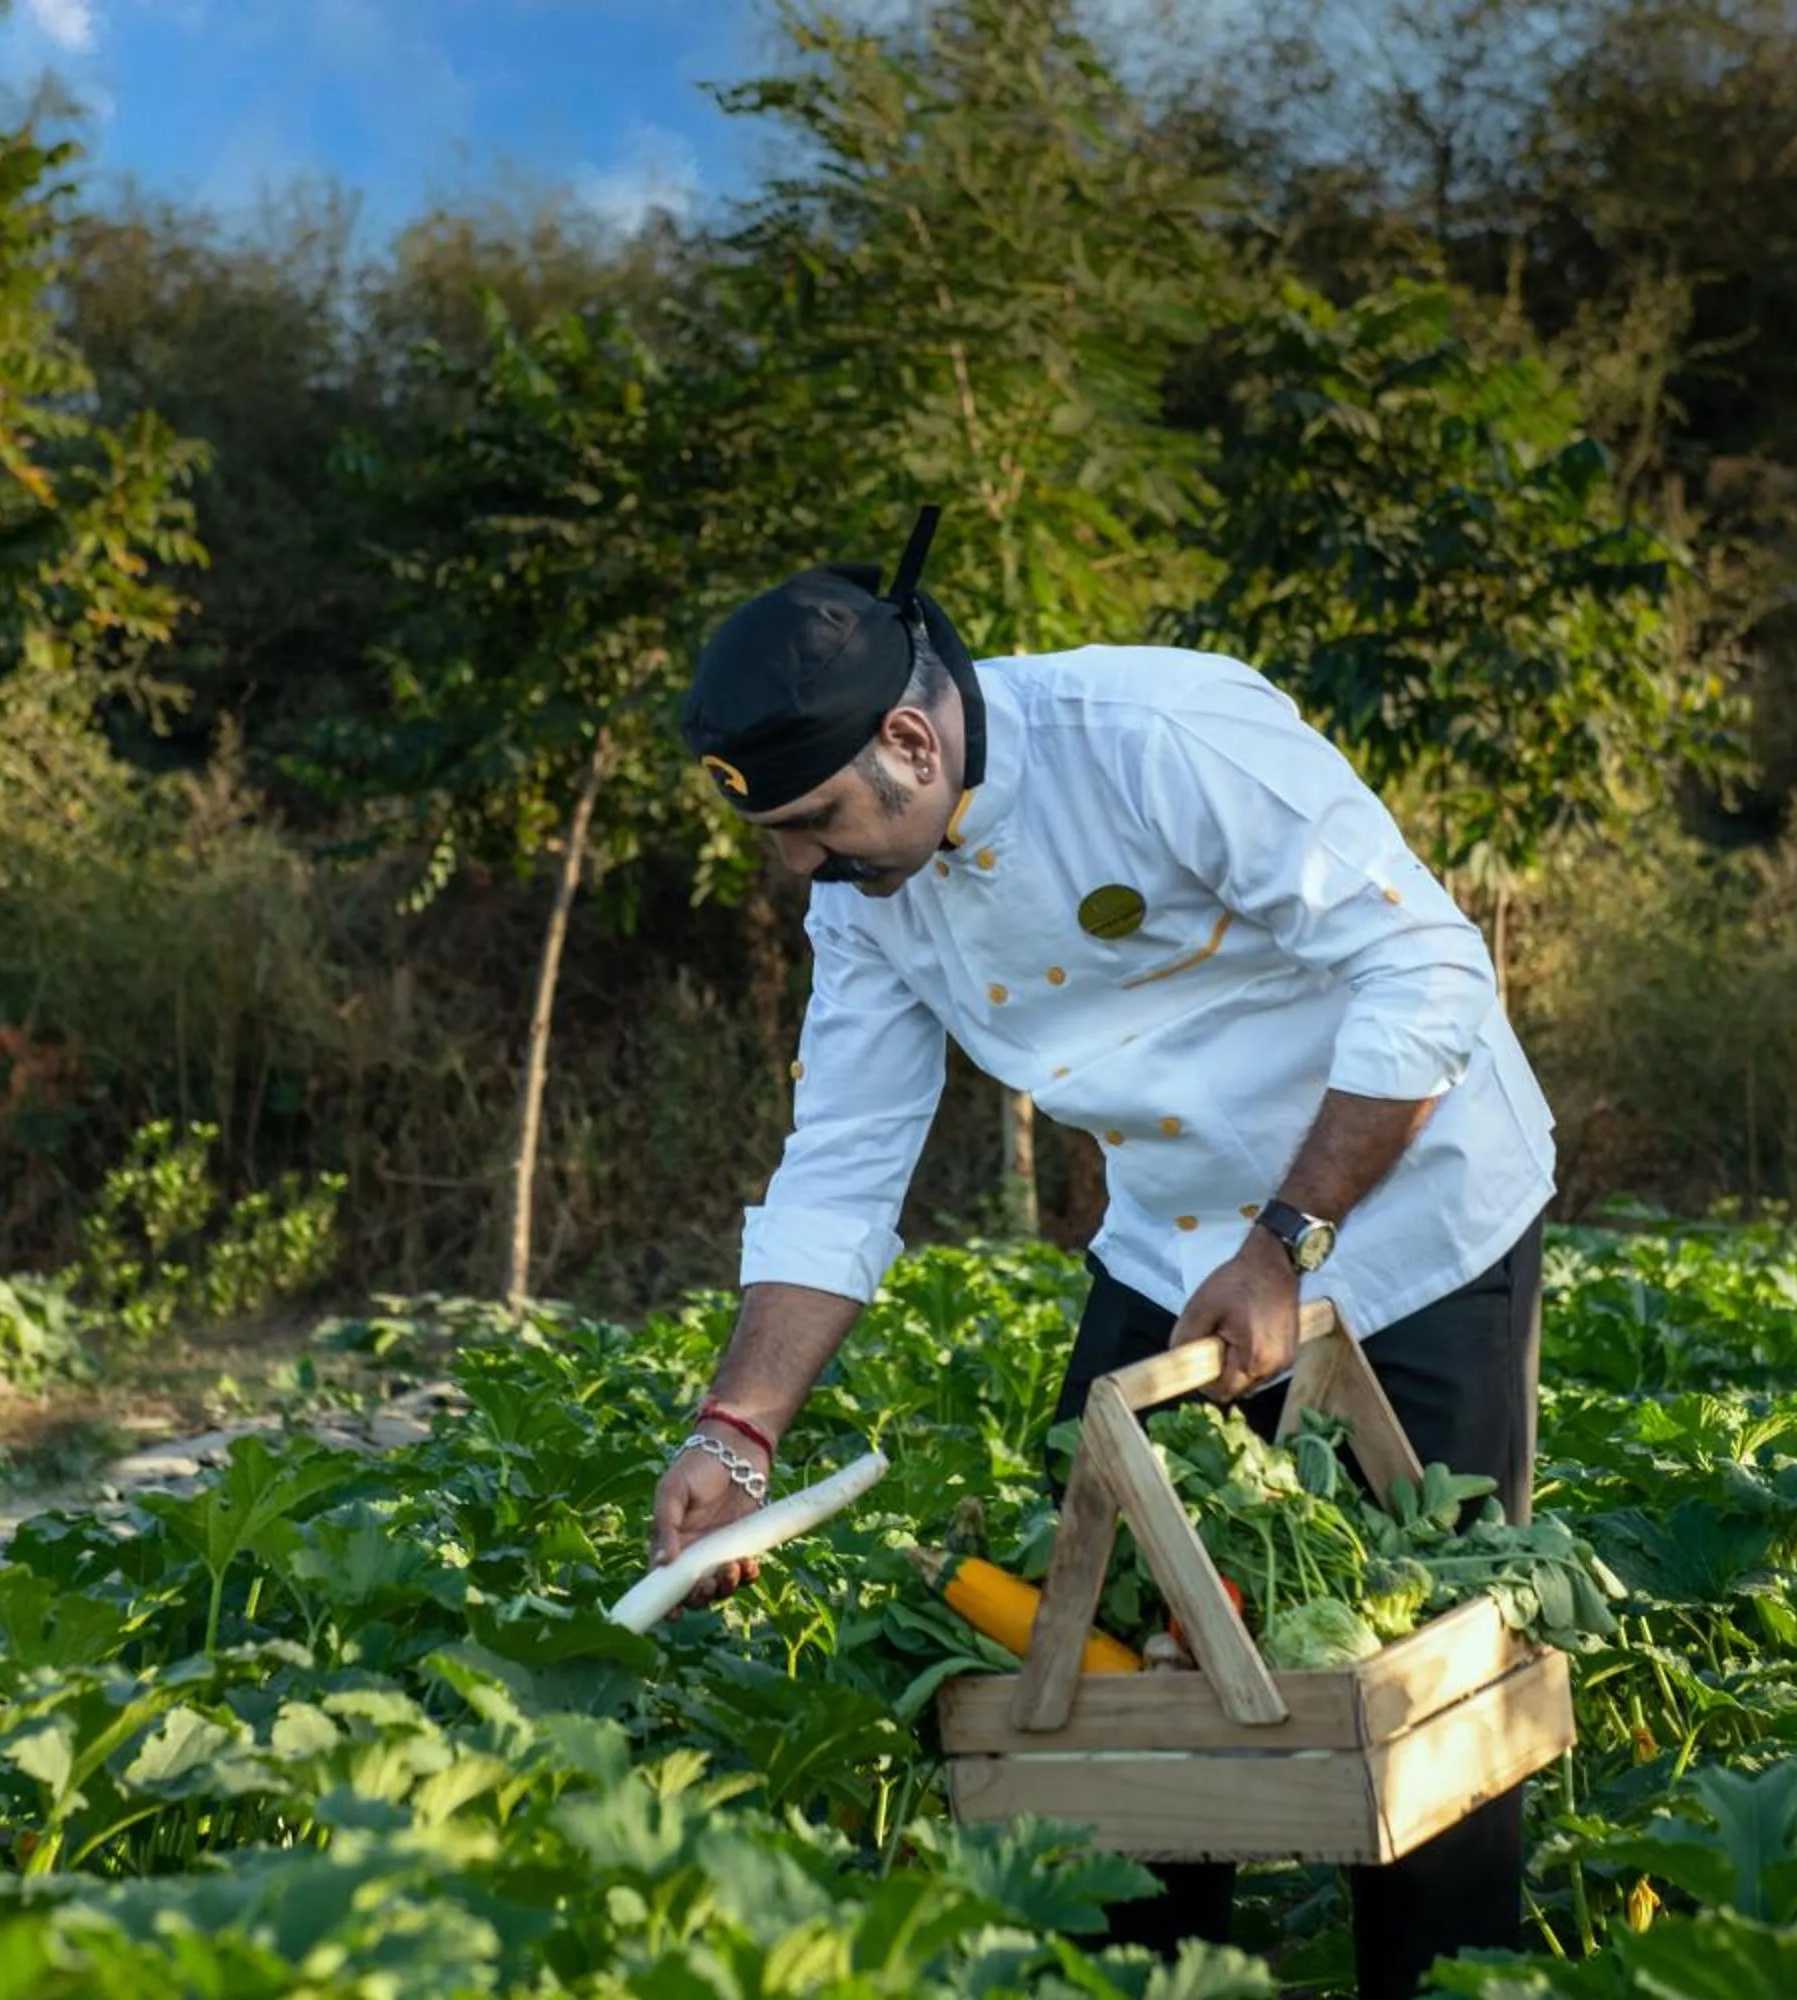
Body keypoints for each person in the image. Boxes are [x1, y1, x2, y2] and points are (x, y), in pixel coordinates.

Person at [645, 507, 1555, 2000]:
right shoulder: (873, 896)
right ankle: (1157, 1971)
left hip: (1412, 1209)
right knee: (1106, 1678)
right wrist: (738, 1433)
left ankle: (1436, 1973)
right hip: (1178, 1236)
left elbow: (1427, 968)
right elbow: (846, 1160)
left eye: (815, 825)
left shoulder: (1159, 731)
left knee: (1426, 1672)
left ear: (911, 745)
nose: (805, 869)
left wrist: (1288, 1243)